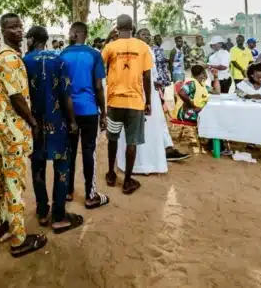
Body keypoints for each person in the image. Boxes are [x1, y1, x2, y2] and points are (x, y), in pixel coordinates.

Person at [0, 13, 48, 257]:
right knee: (15, 182)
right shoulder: (10, 58)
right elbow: (16, 98)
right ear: (3, 31)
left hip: (5, 127)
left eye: (20, 26)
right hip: (14, 129)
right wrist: (33, 122)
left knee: (2, 176)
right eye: (13, 27)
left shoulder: (6, 56)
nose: (19, 30)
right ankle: (18, 239)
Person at [23, 26, 85, 233]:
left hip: (35, 125)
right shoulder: (60, 60)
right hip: (58, 123)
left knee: (38, 166)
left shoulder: (24, 61)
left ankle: (42, 211)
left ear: (32, 39)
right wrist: (73, 121)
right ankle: (59, 215)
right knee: (62, 167)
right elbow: (66, 95)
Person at [117, 29, 189, 175]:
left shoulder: (149, 50)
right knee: (143, 125)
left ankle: (163, 151)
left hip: (152, 92)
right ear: (136, 36)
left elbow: (153, 72)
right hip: (140, 92)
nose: (147, 37)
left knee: (157, 123)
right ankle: (142, 161)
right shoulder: (133, 50)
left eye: (148, 34)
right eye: (144, 34)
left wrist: (156, 84)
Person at [101, 15, 153, 195]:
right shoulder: (143, 47)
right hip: (135, 103)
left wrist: (108, 40)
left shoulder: (110, 47)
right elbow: (147, 76)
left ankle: (110, 173)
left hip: (114, 102)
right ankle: (128, 181)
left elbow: (100, 67)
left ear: (117, 27)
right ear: (133, 27)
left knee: (112, 138)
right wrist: (149, 102)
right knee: (132, 141)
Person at [60, 22, 110, 208]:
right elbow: (98, 87)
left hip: (70, 111)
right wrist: (103, 113)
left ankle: (68, 192)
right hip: (89, 111)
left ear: (75, 33)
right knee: (89, 151)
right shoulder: (94, 54)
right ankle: (90, 195)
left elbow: (62, 87)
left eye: (69, 32)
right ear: (86, 35)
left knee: (70, 152)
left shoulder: (63, 54)